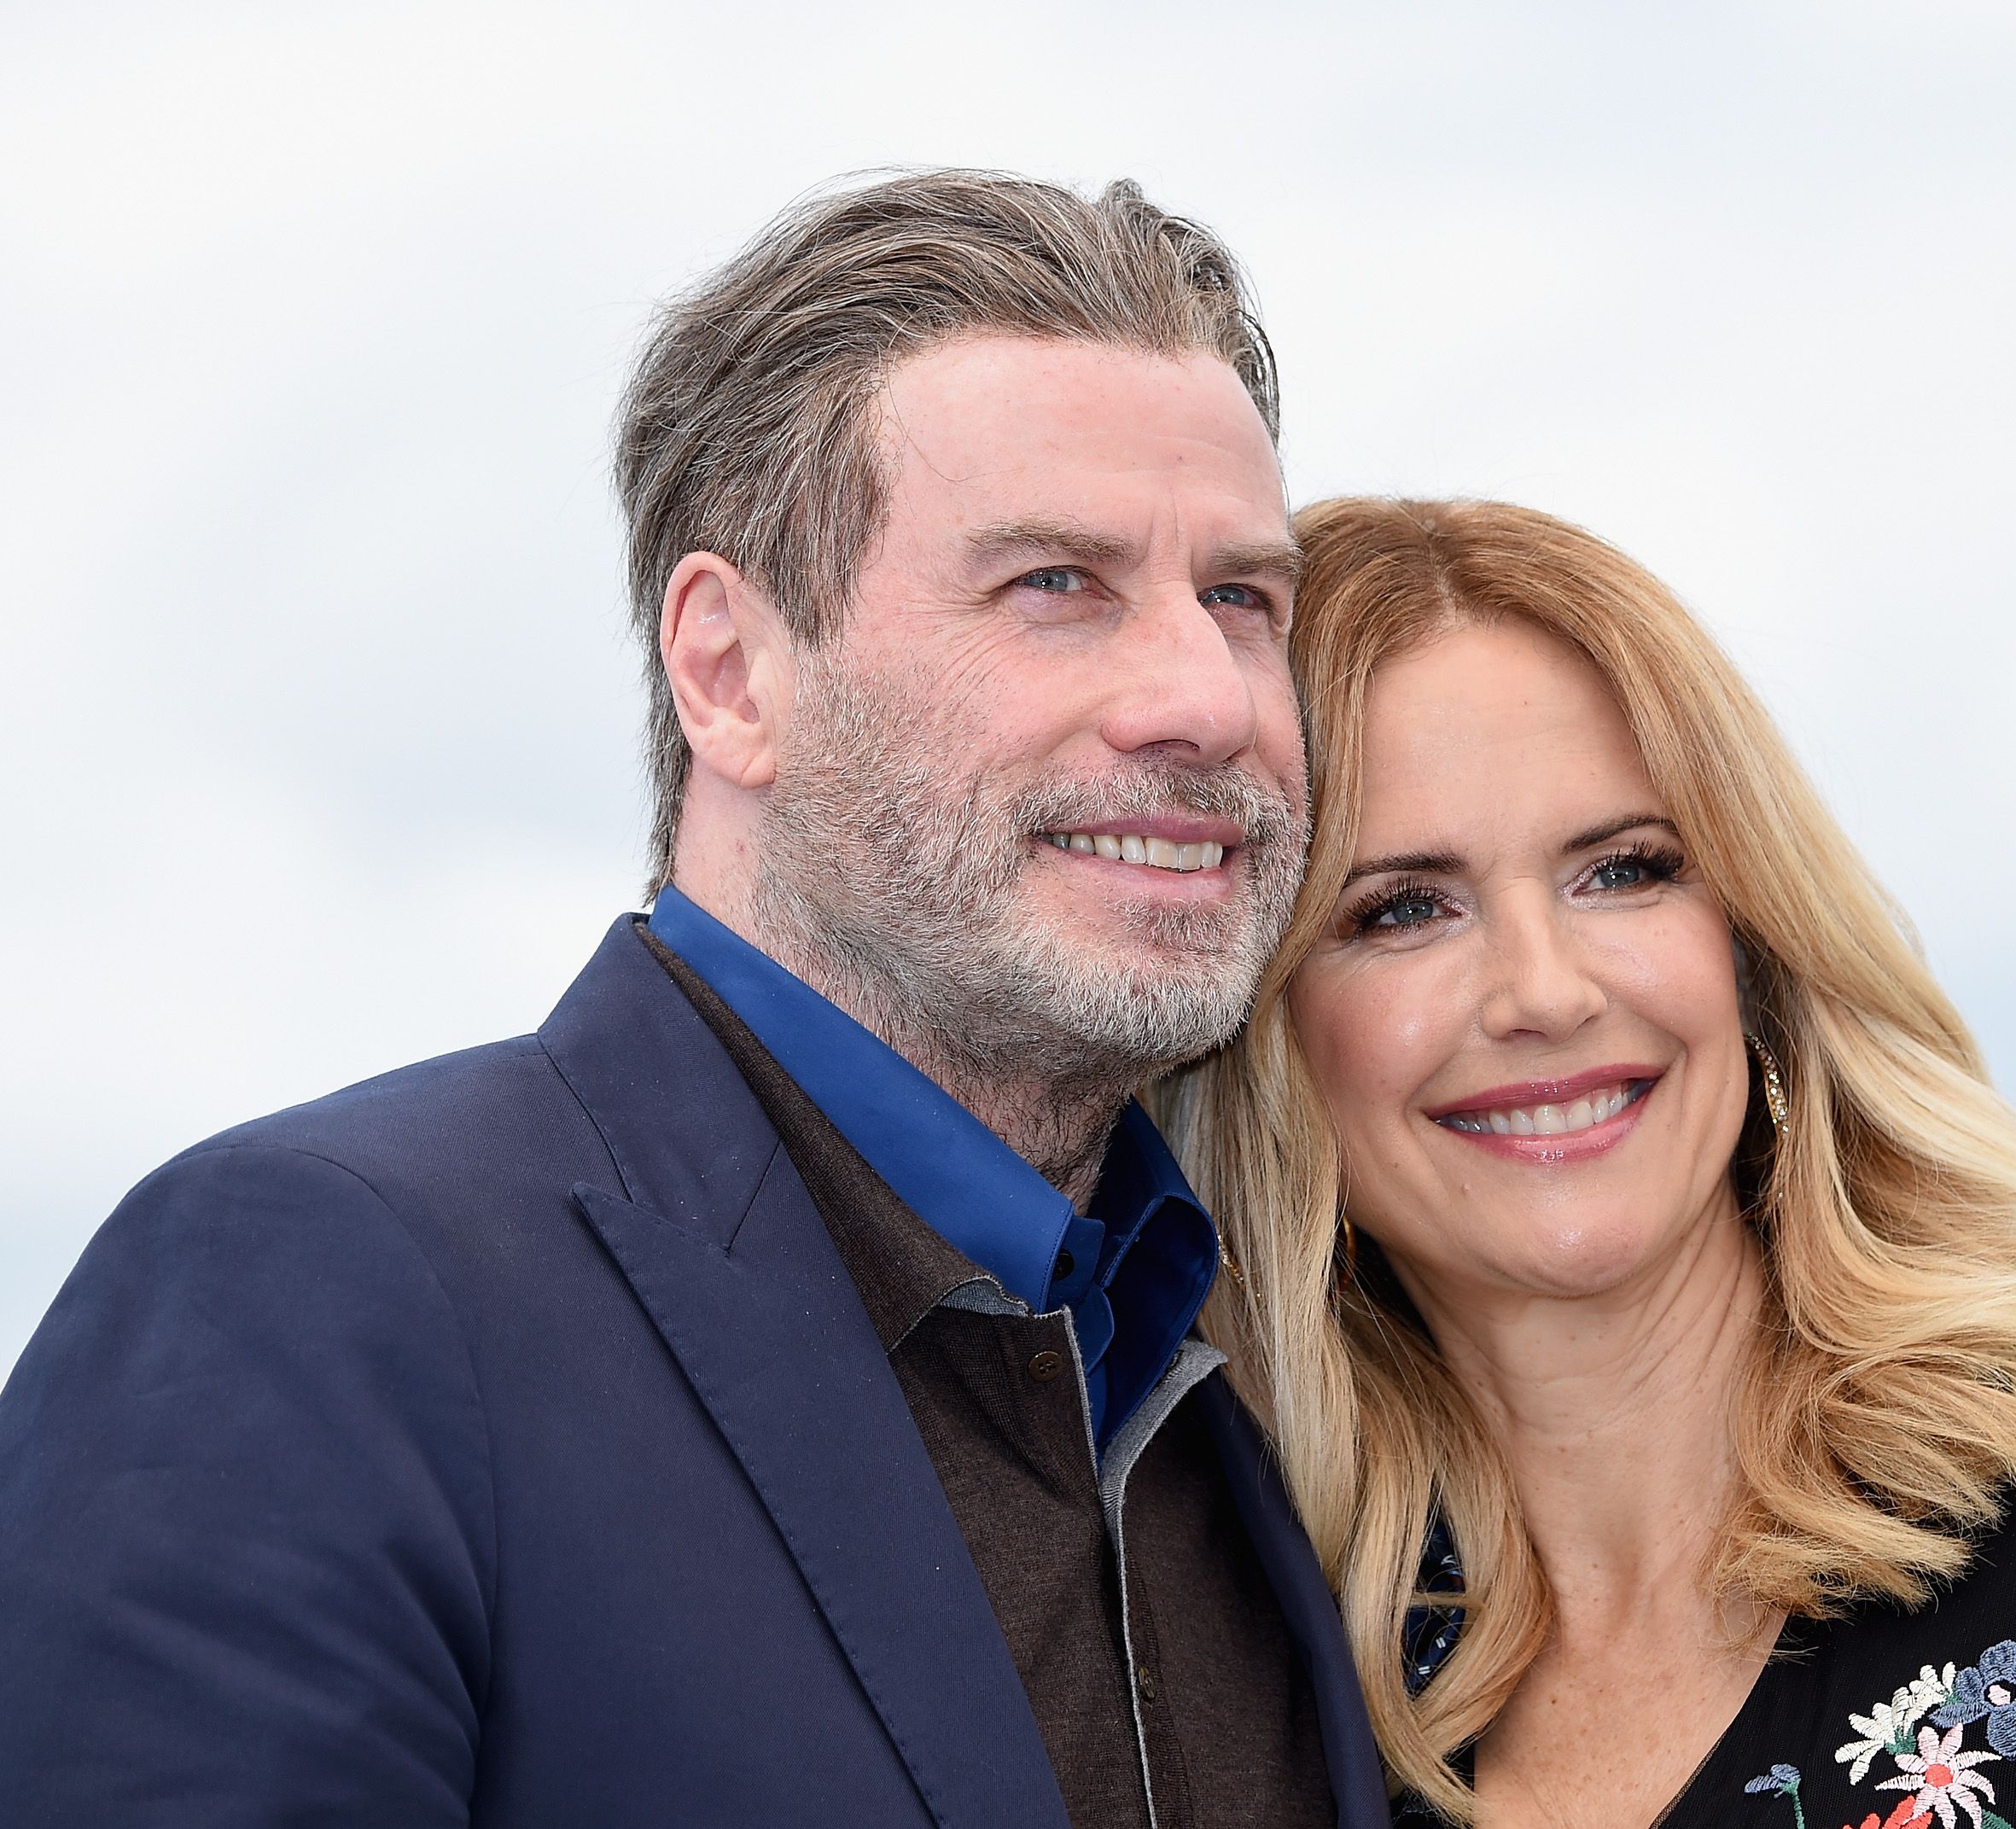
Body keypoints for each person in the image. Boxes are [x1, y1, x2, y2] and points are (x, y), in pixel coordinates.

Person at [0, 172, 1390, 1829]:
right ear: (730, 670)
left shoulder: (1251, 1405)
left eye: (1242, 597)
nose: (1202, 699)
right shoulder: (322, 1297)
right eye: (1055, 585)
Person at [1156, 497, 2016, 1829]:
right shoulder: (1256, 1691)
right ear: (1265, 1039)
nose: (1542, 992)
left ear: (1756, 954)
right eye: (1403, 909)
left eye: (1622, 871)